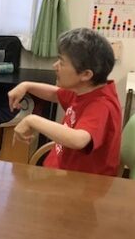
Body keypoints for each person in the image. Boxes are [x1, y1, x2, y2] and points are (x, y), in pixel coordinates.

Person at [8, 27, 122, 176]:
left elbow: (79, 140)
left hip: (82, 183)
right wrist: (26, 86)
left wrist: (32, 120)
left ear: (86, 74)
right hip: (61, 171)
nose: (55, 66)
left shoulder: (102, 105)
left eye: (61, 62)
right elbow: (55, 94)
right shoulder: (84, 89)